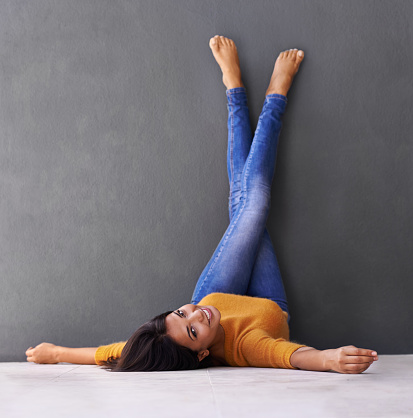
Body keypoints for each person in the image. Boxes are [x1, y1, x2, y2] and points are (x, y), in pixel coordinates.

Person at [25, 36, 379, 374]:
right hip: (271, 305)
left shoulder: (199, 310)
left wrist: (55, 353)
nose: (198, 316)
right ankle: (249, 93)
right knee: (246, 202)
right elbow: (291, 355)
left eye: (182, 313)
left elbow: (114, 351)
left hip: (222, 290)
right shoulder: (247, 345)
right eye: (193, 332)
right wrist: (329, 359)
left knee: (248, 203)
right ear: (203, 353)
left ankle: (257, 94)